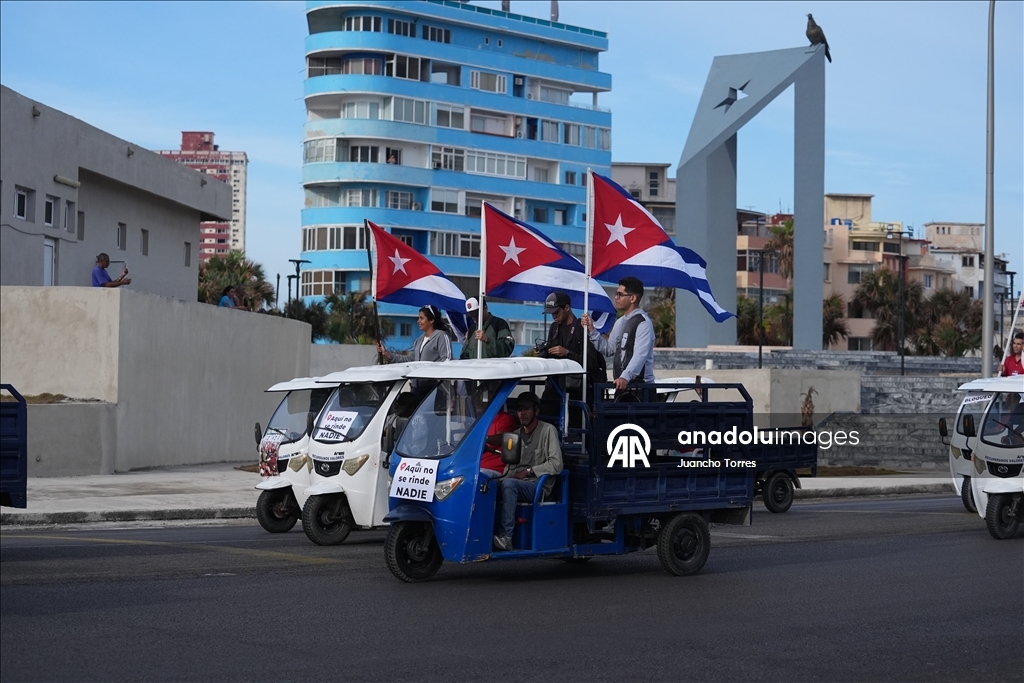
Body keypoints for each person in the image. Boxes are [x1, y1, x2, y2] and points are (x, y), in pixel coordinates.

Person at [493, 392, 563, 551]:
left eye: (526, 409)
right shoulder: (514, 435)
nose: (522, 413)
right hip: (516, 482)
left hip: (538, 486)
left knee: (509, 484)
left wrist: (529, 471)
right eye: (519, 410)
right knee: (486, 482)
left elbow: (556, 464)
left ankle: (506, 537)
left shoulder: (548, 431)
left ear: (536, 411)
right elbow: (509, 468)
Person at [581, 276, 655, 392]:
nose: (616, 297)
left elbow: (640, 355)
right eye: (616, 294)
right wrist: (592, 330)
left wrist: (625, 377)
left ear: (633, 298)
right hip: (621, 386)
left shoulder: (643, 323)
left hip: (641, 388)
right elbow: (608, 349)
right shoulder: (620, 322)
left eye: (620, 294)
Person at [538, 291, 606, 415]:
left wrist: (567, 353)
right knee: (544, 415)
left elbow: (591, 363)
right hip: (555, 386)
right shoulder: (554, 327)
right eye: (551, 313)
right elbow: (552, 355)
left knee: (576, 427)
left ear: (567, 307)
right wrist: (544, 352)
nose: (554, 316)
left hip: (578, 389)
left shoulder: (583, 328)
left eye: (556, 312)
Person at [473, 382, 517, 479]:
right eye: (476, 397)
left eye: (481, 397)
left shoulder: (505, 419)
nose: (477, 402)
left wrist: (485, 438)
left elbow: (501, 438)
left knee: (477, 477)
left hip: (495, 469)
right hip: (475, 467)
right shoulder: (477, 421)